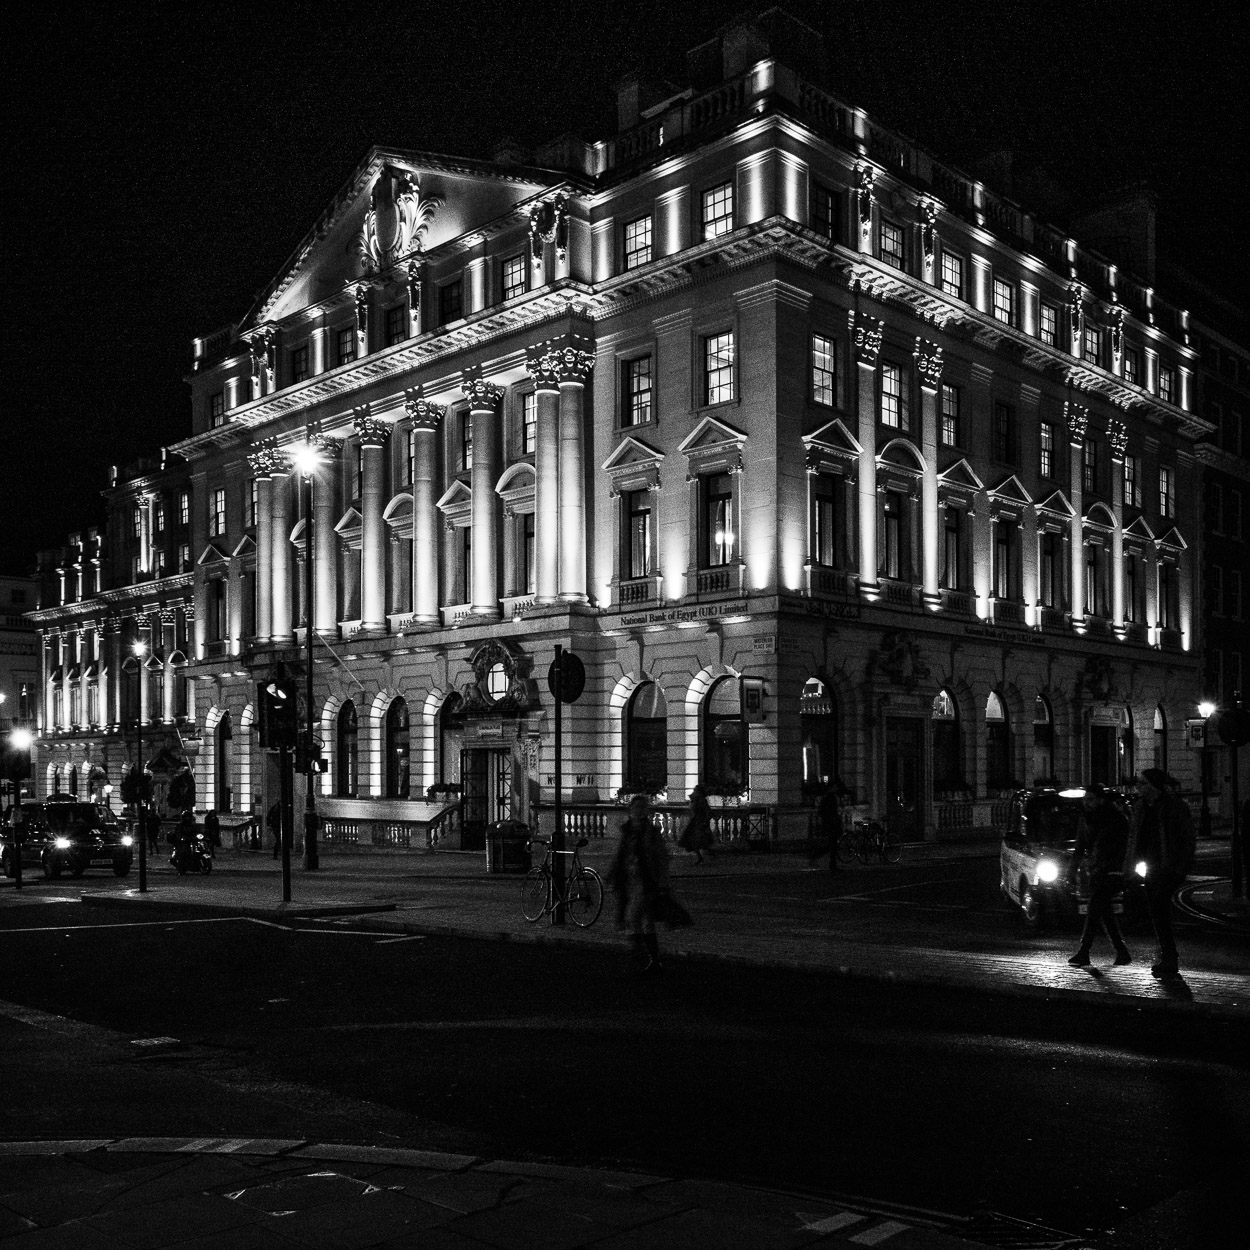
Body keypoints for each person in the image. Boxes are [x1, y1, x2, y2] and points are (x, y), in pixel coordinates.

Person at [1126, 768, 1195, 978]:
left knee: (1158, 907)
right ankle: (1168, 956)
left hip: (1169, 866)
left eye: (1143, 783)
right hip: (1150, 867)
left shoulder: (1174, 806)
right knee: (1155, 911)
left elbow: (1187, 838)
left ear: (1154, 786)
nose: (1139, 786)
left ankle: (1170, 958)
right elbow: (1134, 837)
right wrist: (1129, 866)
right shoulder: (1140, 807)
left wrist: (1181, 867)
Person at [606, 794, 670, 974]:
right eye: (635, 808)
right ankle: (653, 961)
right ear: (630, 810)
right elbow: (619, 855)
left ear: (646, 811)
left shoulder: (651, 832)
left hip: (646, 881)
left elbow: (662, 858)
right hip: (629, 881)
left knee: (632, 917)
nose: (637, 811)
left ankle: (637, 957)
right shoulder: (626, 831)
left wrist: (663, 883)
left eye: (641, 808)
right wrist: (613, 875)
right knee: (647, 922)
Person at [1068, 784, 1131, 967]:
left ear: (1101, 800)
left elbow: (1123, 846)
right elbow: (1080, 848)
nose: (1087, 803)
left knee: (1095, 906)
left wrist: (1121, 868)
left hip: (1113, 872)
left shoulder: (1116, 819)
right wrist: (1071, 870)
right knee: (1104, 912)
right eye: (1085, 800)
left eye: (1091, 799)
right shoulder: (1086, 819)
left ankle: (1084, 951)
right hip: (1097, 871)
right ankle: (1122, 952)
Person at [809, 781, 844, 873]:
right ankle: (829, 863)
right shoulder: (831, 797)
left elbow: (822, 811)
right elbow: (833, 812)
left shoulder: (826, 797)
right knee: (832, 845)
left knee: (831, 845)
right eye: (835, 786)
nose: (836, 788)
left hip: (829, 824)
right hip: (832, 824)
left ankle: (829, 863)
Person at [678, 784, 715, 864]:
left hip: (699, 821)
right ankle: (702, 855)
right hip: (695, 821)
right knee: (694, 839)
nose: (694, 791)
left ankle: (707, 854)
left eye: (695, 790)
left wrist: (705, 821)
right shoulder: (696, 799)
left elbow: (707, 811)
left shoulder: (701, 800)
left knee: (698, 839)